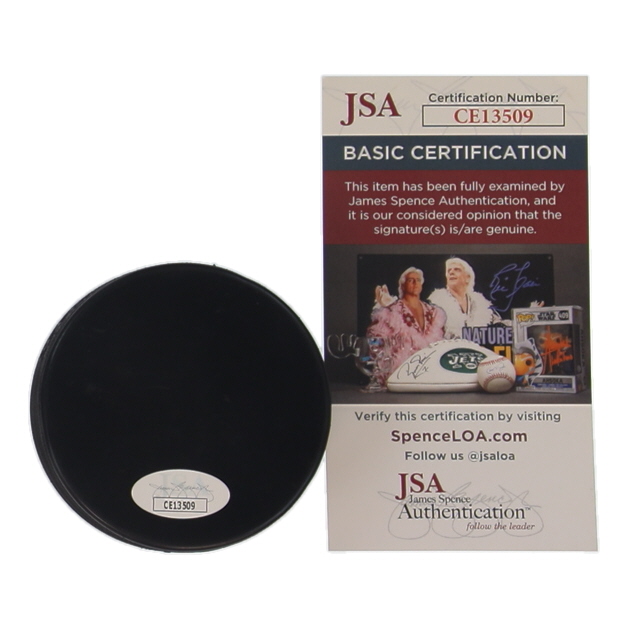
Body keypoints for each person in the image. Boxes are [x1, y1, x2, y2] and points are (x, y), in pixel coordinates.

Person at [368, 267, 446, 373]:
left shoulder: (433, 312)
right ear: (403, 285)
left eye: (418, 280)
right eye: (410, 280)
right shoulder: (391, 312)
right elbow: (376, 344)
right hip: (401, 370)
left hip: (429, 370)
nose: (415, 283)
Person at [427, 257, 501, 339]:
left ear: (468, 278)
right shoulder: (436, 304)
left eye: (457, 270)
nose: (451, 272)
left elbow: (499, 324)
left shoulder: (481, 304)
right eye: (449, 270)